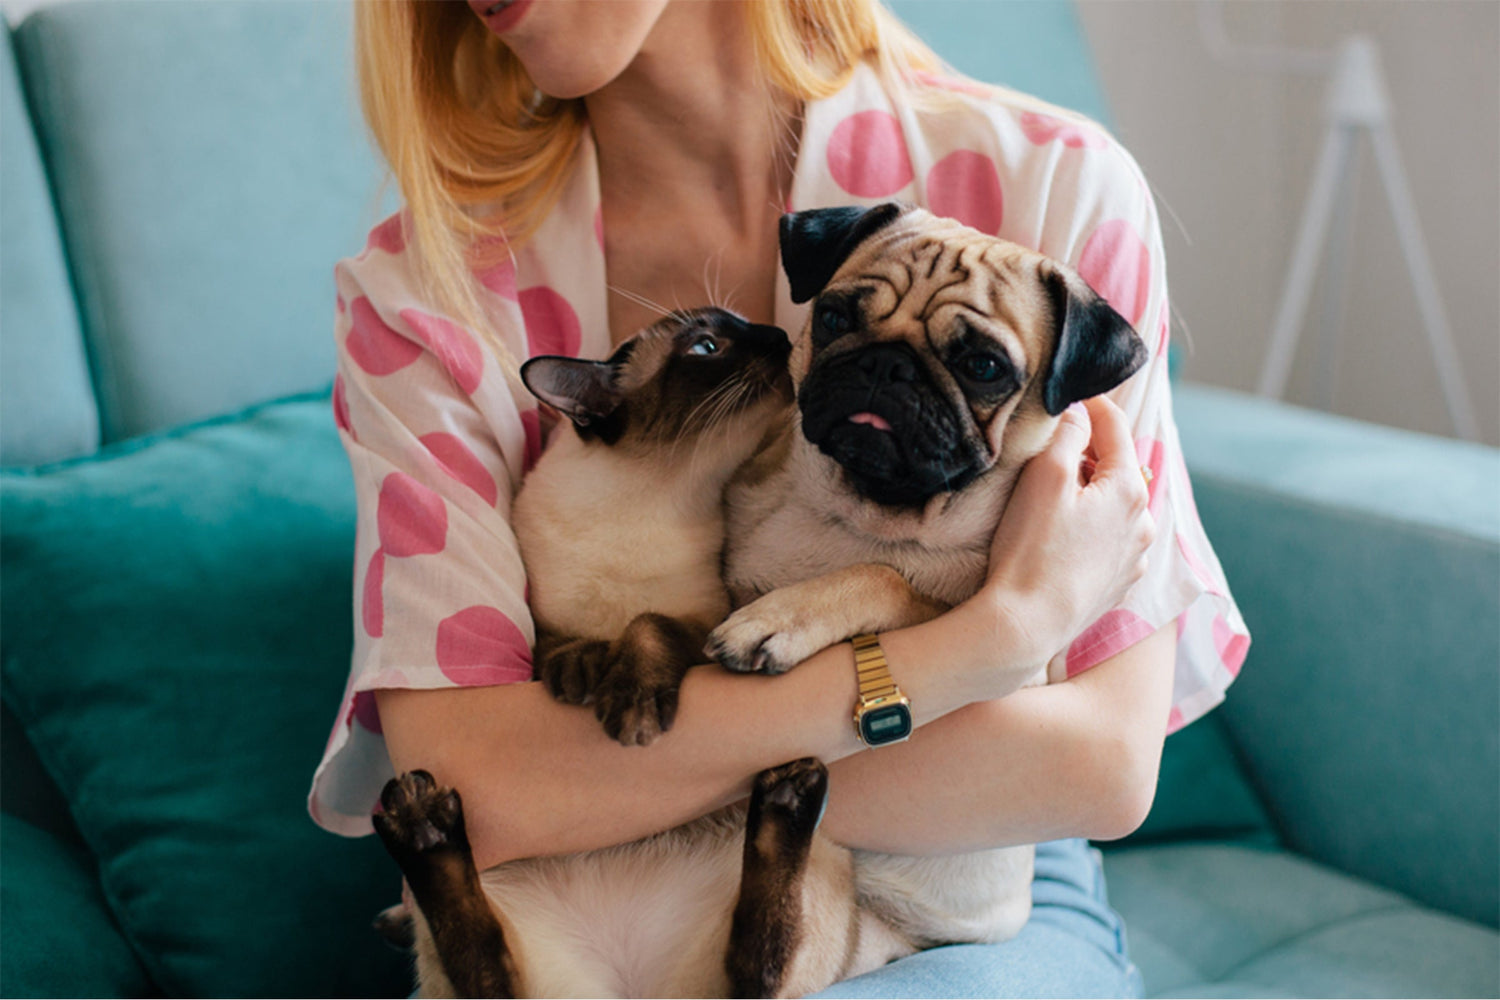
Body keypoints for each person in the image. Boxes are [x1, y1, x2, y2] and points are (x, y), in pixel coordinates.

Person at [308, 1, 1249, 996]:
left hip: (953, 882)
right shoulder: (423, 294)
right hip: (584, 893)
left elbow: (1098, 767)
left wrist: (597, 777)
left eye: (972, 361)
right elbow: (477, 794)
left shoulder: (1054, 182)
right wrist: (987, 643)